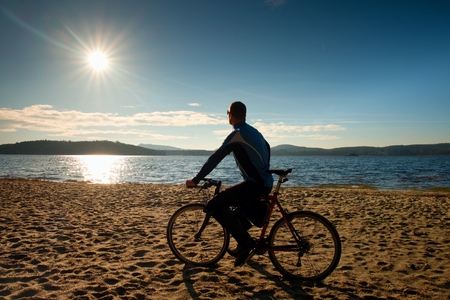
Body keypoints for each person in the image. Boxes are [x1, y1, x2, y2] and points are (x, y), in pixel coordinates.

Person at [186, 101, 273, 267]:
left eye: (228, 113)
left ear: (230, 115)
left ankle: (245, 243)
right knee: (235, 204)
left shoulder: (237, 134)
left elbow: (216, 158)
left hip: (256, 184)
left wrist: (196, 180)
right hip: (263, 181)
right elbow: (267, 147)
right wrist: (264, 169)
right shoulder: (254, 131)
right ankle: (243, 244)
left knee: (214, 204)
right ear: (245, 115)